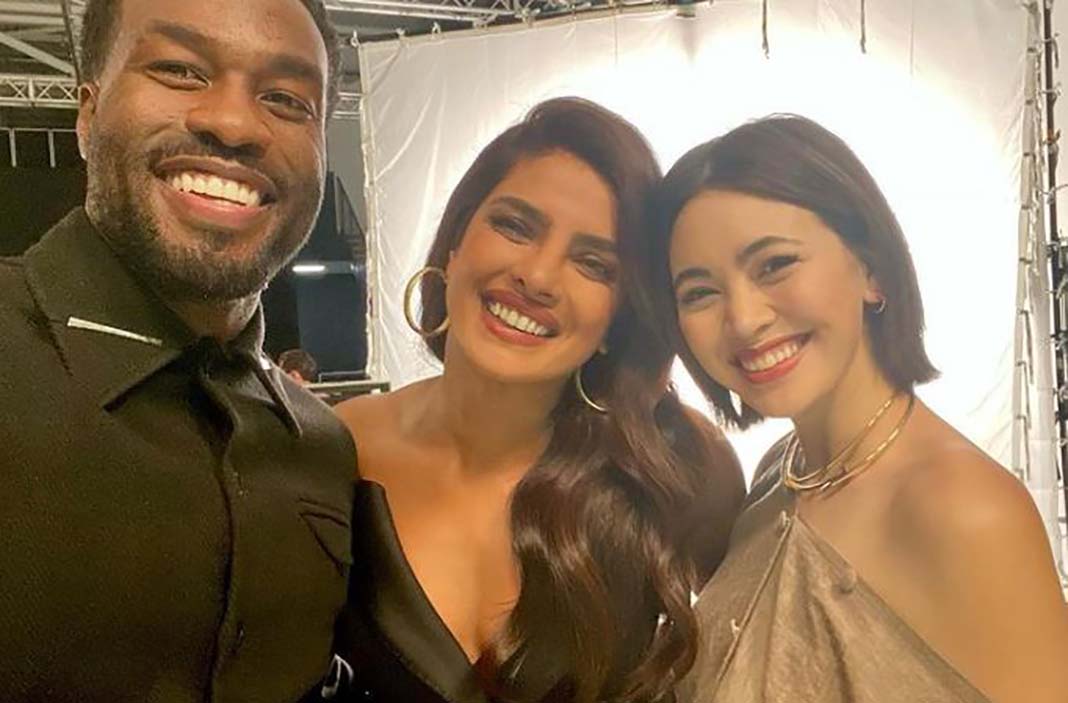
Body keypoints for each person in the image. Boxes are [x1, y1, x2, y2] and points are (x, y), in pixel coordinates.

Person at [331, 97, 745, 703]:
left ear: (618, 316)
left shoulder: (678, 462)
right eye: (516, 227)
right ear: (455, 245)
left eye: (593, 263)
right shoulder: (340, 447)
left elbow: (755, 658)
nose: (539, 277)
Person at [0, 1, 357, 701]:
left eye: (287, 99)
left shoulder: (322, 448)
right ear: (87, 114)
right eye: (180, 70)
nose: (234, 123)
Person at [649, 115, 1068, 703]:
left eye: (775, 265)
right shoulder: (781, 474)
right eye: (699, 292)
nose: (742, 319)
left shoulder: (965, 511)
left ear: (870, 269)